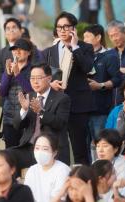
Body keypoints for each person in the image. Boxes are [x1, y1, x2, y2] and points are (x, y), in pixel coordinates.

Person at [42, 11, 94, 165]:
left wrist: (75, 46)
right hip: (55, 104)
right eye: (59, 27)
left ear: (74, 28)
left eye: (66, 27)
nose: (63, 30)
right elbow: (41, 75)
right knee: (56, 145)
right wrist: (50, 84)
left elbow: (87, 67)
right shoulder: (48, 52)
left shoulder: (85, 47)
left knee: (80, 148)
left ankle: (83, 180)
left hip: (78, 104)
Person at [12, 63, 71, 169]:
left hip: (50, 149)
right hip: (29, 148)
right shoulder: (29, 96)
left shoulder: (62, 98)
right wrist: (24, 110)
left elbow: (60, 123)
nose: (35, 81)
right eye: (32, 78)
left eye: (39, 78)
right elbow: (16, 126)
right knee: (6, 157)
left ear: (49, 78)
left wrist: (41, 111)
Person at [83, 24, 122, 141]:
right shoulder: (82, 56)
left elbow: (117, 79)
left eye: (87, 37)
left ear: (98, 37)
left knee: (100, 143)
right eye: (83, 37)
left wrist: (100, 85)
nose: (84, 40)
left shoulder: (110, 56)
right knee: (83, 146)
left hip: (100, 111)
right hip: (83, 110)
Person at [0, 38, 33, 148]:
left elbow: (31, 91)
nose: (17, 52)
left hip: (27, 118)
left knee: (26, 151)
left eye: (21, 49)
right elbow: (2, 92)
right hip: (9, 118)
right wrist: (8, 75)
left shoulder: (33, 69)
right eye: (14, 50)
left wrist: (18, 74)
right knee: (10, 152)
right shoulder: (9, 68)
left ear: (29, 52)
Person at [24, 134, 70, 202]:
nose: (40, 152)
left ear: (54, 152)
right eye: (37, 148)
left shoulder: (62, 170)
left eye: (45, 149)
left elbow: (59, 200)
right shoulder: (32, 170)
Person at [95, 129, 125, 196]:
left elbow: (122, 193)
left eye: (105, 146)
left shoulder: (124, 168)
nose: (100, 150)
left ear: (115, 149)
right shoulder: (95, 164)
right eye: (98, 146)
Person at [0, 18, 22, 107]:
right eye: (8, 28)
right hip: (7, 96)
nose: (11, 30)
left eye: (14, 27)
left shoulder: (29, 50)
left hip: (26, 94)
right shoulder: (0, 53)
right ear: (5, 34)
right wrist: (10, 75)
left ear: (20, 31)